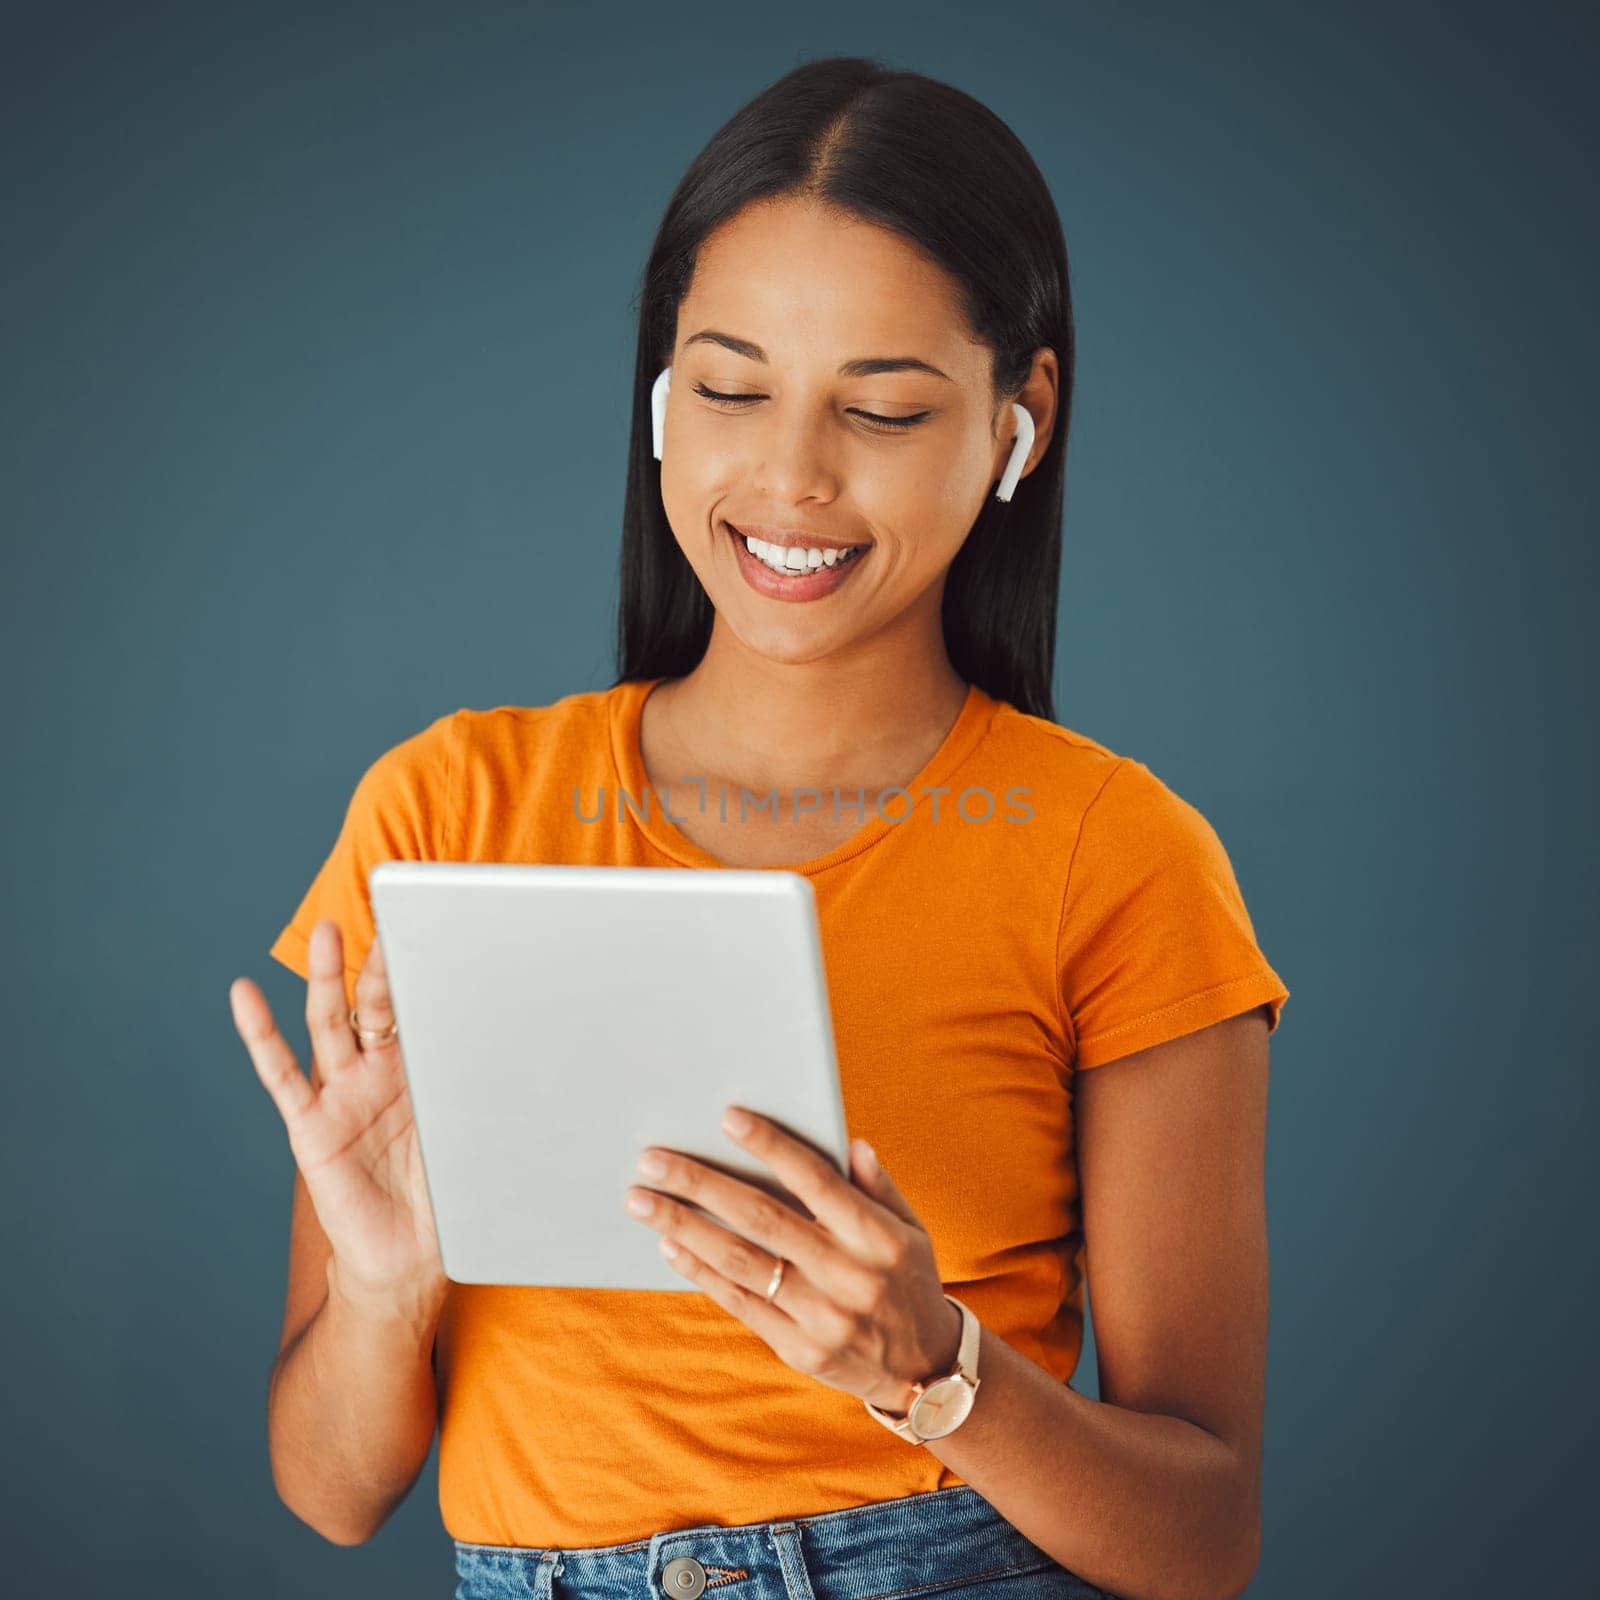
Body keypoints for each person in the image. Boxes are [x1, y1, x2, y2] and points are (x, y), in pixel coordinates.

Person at [229, 55, 1289, 1600]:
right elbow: (329, 1497)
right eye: (730, 387)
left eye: (882, 406)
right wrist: (386, 1293)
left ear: (1020, 420)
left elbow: (1206, 1542)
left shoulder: (1113, 853)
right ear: (661, 394)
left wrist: (936, 1369)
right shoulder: (450, 811)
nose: (792, 477)